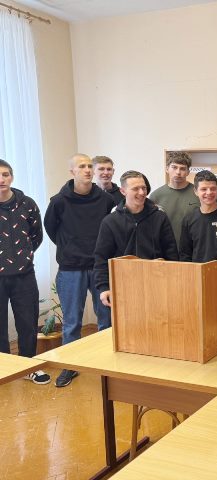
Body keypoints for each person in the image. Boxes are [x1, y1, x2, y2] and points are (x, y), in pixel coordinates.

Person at [44, 153, 115, 387]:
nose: (87, 170)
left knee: (106, 320)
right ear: (72, 171)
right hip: (71, 268)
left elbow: (112, 228)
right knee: (72, 322)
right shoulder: (59, 201)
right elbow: (51, 228)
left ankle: (108, 366)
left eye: (89, 166)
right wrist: (69, 247)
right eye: (81, 166)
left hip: (99, 267)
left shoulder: (105, 200)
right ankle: (70, 367)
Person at [94, 170, 179, 307]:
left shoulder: (160, 217)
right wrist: (104, 287)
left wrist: (173, 281)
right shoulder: (110, 221)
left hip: (157, 283)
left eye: (143, 188)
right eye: (135, 189)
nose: (141, 192)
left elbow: (171, 252)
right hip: (123, 285)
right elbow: (102, 257)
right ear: (123, 191)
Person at [0, 159, 50, 385]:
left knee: (27, 322)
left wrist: (23, 257)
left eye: (5, 174)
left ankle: (29, 366)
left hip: (24, 275)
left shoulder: (27, 204)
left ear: (11, 177)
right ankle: (4, 368)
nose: (1, 179)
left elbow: (36, 236)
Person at [148, 151, 199, 245]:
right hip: (165, 248)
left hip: (193, 247)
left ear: (188, 172)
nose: (178, 172)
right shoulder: (155, 196)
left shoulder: (198, 194)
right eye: (174, 167)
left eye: (182, 168)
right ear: (167, 169)